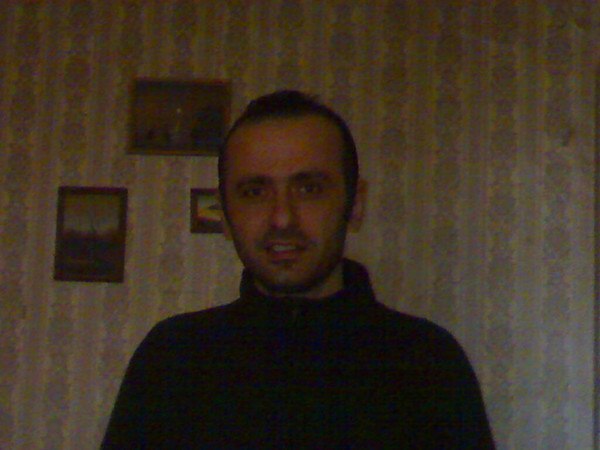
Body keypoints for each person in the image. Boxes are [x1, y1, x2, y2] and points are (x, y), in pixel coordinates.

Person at [101, 90, 495, 449]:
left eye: (309, 188)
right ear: (224, 214)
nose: (282, 218)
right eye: (255, 192)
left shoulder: (429, 364)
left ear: (355, 204)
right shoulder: (172, 359)